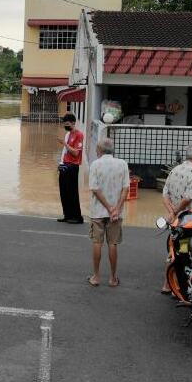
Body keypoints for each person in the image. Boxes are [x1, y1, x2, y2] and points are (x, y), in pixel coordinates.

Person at [160, 143, 192, 293]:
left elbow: (165, 194)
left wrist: (172, 212)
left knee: (174, 250)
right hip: (189, 220)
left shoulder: (175, 170)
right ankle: (182, 287)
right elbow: (187, 199)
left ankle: (167, 285)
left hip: (176, 220)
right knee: (187, 251)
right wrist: (178, 210)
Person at [87, 138, 129, 287]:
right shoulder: (122, 164)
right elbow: (125, 189)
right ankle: (112, 278)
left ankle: (96, 277)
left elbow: (95, 188)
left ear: (100, 149)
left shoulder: (95, 164)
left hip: (98, 211)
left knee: (97, 242)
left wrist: (108, 207)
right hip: (116, 214)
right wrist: (115, 208)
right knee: (113, 243)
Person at [56, 113, 84, 224]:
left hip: (73, 166)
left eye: (67, 124)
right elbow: (65, 152)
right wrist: (61, 163)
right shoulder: (68, 134)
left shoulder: (79, 135)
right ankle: (67, 215)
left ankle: (77, 217)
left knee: (72, 192)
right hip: (65, 165)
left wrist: (64, 144)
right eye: (64, 124)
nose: (65, 126)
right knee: (64, 192)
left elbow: (76, 153)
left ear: (73, 123)